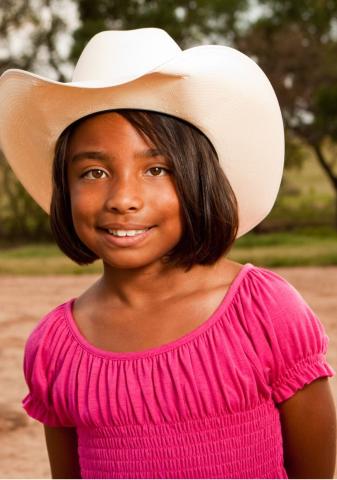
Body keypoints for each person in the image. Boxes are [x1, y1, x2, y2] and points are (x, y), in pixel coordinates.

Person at [0, 28, 336, 479]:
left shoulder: (264, 313)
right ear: (65, 188)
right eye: (94, 171)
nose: (123, 198)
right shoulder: (56, 348)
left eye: (156, 169)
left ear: (198, 180)